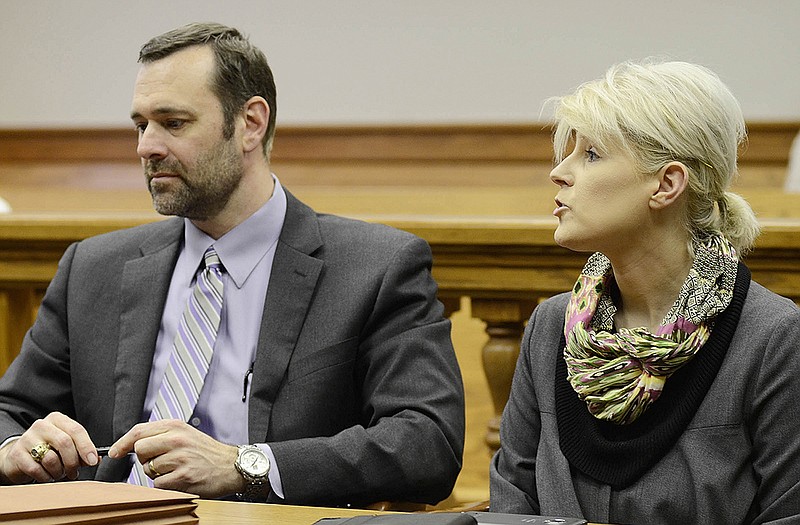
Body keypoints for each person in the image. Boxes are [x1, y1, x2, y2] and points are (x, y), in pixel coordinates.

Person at [0, 22, 465, 507]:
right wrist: (15, 448)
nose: (146, 147)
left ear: (250, 123)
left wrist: (244, 465)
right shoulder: (93, 268)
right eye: (141, 125)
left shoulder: (375, 267)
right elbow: (9, 410)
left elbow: (427, 443)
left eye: (173, 123)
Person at [490, 60, 800, 523]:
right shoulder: (550, 327)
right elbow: (512, 505)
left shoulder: (774, 339)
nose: (559, 172)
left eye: (591, 154)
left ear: (667, 183)